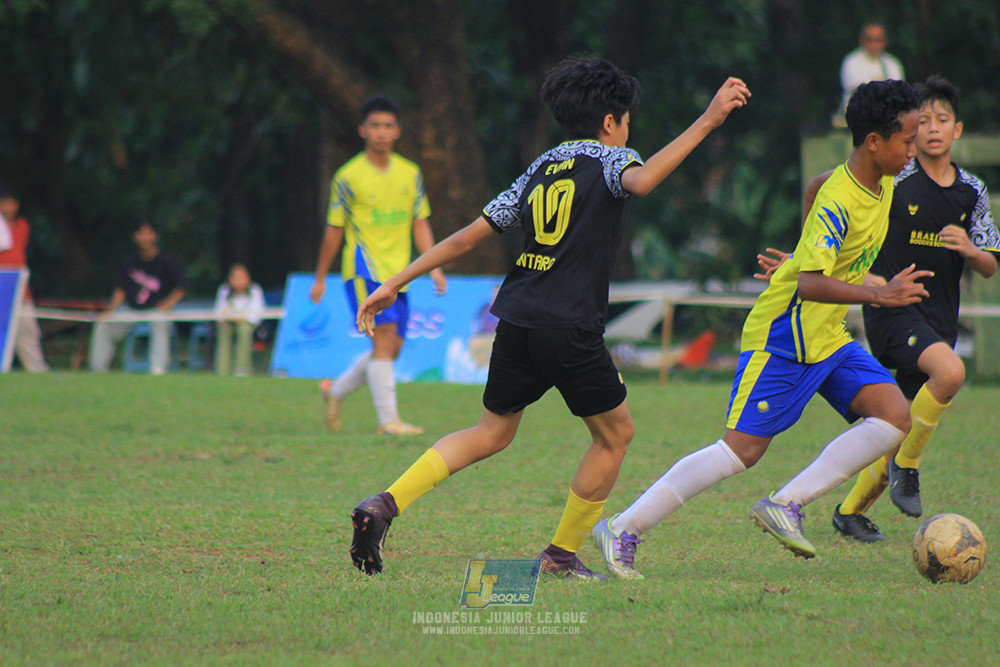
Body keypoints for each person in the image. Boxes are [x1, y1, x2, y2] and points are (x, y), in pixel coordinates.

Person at [347, 55, 751, 578]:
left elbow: (468, 236)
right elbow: (644, 179)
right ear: (611, 122)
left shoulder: (541, 167)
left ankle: (384, 504)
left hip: (516, 318)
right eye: (627, 121)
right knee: (614, 435)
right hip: (569, 323)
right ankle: (560, 557)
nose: (628, 132)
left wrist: (393, 283)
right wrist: (710, 118)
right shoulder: (611, 159)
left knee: (490, 432)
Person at [594, 80, 926, 580]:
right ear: (874, 142)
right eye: (906, 139)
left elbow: (814, 191)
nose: (913, 150)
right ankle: (623, 527)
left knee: (894, 414)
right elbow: (813, 285)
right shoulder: (841, 198)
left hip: (827, 337)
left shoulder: (875, 183)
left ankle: (787, 503)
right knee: (740, 451)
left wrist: (797, 255)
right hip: (784, 335)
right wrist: (873, 291)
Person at [830, 76, 1000, 541]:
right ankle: (908, 469)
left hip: (938, 321)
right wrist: (864, 279)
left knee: (896, 427)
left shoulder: (972, 191)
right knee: (951, 373)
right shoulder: (893, 179)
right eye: (921, 121)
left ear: (957, 130)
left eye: (941, 120)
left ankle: (849, 512)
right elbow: (848, 225)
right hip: (892, 310)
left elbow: (990, 266)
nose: (931, 129)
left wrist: (969, 248)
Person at [310, 95, 447, 435]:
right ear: (362, 130)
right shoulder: (347, 177)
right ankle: (390, 422)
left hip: (400, 275)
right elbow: (334, 229)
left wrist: (434, 267)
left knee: (392, 348)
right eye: (375, 126)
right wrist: (320, 277)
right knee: (384, 342)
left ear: (398, 131)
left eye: (388, 126)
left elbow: (420, 222)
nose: (381, 132)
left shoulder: (410, 173)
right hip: (363, 273)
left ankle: (335, 391)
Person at [89, 219, 188, 374]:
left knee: (160, 323)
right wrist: (111, 310)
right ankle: (98, 369)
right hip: (131, 310)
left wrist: (168, 304)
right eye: (141, 233)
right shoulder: (129, 261)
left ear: (155, 236)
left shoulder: (166, 261)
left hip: (155, 311)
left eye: (148, 233)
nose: (145, 237)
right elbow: (120, 289)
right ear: (135, 237)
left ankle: (158, 369)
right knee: (103, 325)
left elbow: (182, 286)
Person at [0, 186, 49, 372]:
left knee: (28, 329)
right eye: (5, 202)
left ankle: (37, 371)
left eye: (13, 202)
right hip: (1, 285)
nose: (10, 207)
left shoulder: (22, 225)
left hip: (19, 287)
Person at [834, 23, 905, 128]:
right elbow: (858, 91)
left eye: (878, 39)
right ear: (861, 41)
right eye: (869, 39)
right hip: (859, 119)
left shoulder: (892, 64)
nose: (873, 44)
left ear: (885, 42)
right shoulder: (851, 62)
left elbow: (899, 93)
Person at [214, 263, 266, 377]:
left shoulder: (255, 291)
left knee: (244, 330)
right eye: (235, 278)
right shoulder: (224, 291)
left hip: (246, 324)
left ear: (247, 279)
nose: (238, 281)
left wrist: (241, 319)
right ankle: (222, 370)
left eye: (241, 278)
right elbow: (219, 312)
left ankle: (241, 369)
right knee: (223, 331)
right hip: (228, 323)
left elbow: (257, 314)